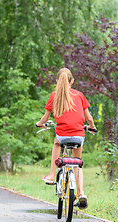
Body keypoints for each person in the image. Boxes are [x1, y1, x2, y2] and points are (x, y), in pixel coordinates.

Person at [36, 67, 96, 209]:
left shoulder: (54, 96)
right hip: (79, 135)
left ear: (57, 81)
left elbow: (45, 118)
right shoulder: (80, 95)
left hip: (62, 136)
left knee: (57, 143)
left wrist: (40, 124)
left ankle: (51, 175)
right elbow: (89, 118)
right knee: (77, 163)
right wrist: (92, 126)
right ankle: (81, 193)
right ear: (72, 81)